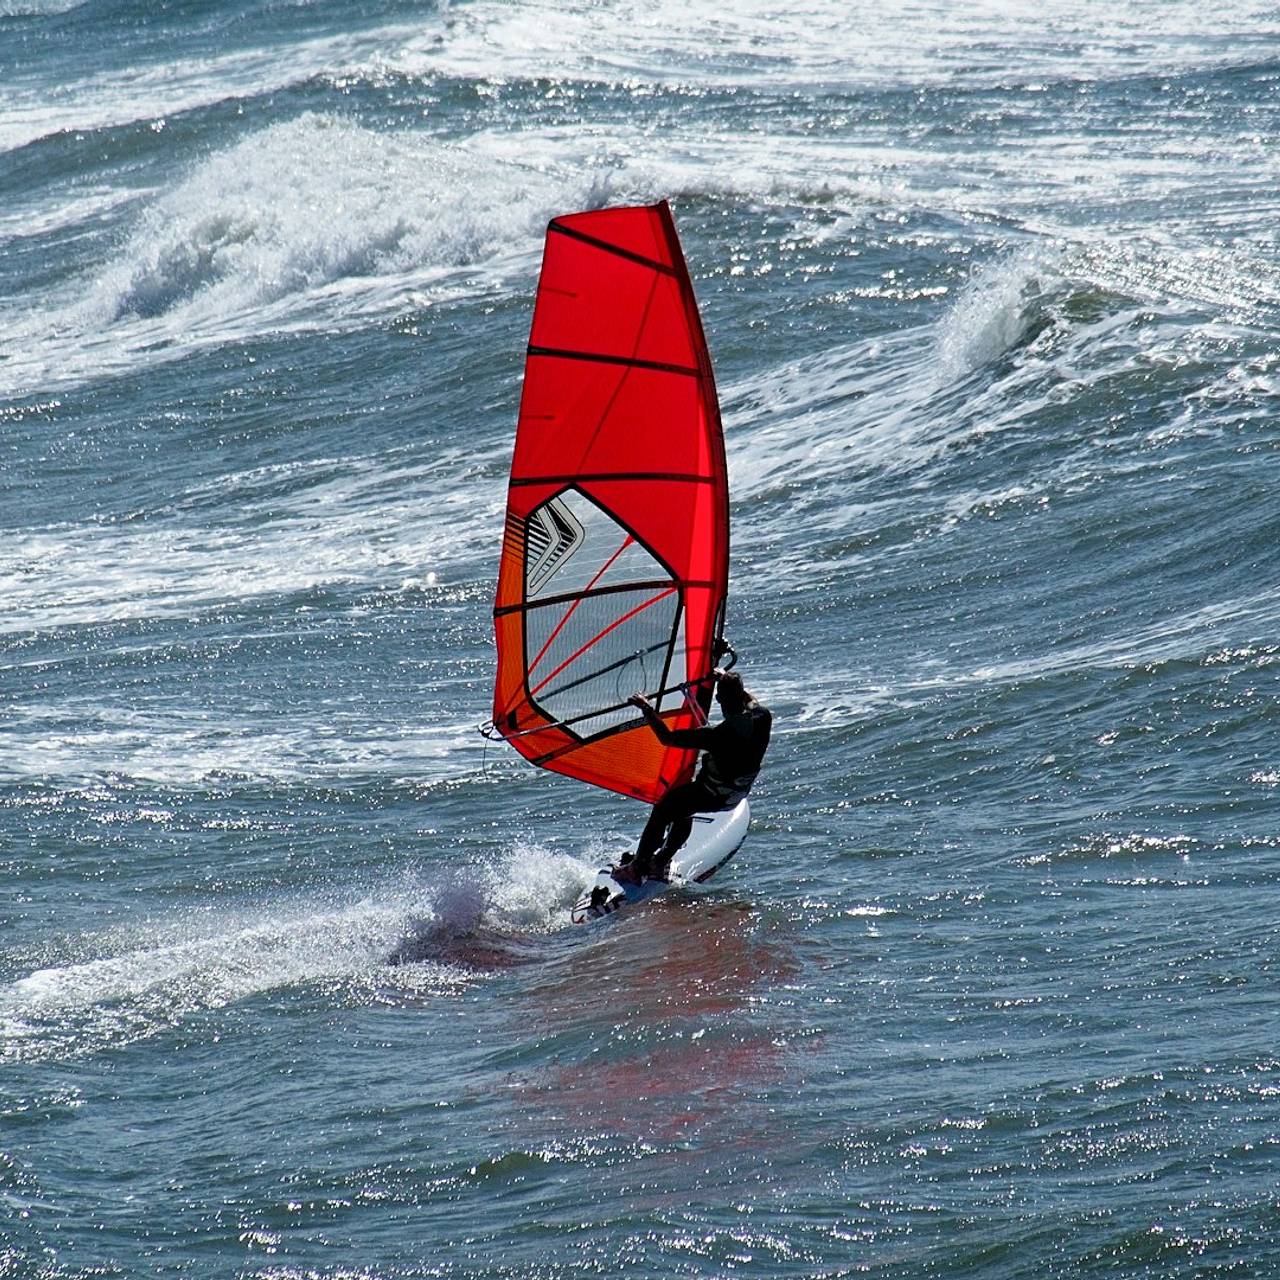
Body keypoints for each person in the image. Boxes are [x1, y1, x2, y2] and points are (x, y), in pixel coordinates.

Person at [621, 670, 772, 882]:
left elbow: (668, 738)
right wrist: (726, 678)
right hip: (736, 795)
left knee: (664, 809)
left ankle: (638, 868)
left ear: (719, 700)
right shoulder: (762, 717)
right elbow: (751, 700)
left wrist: (646, 708)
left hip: (712, 795)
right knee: (683, 808)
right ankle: (660, 861)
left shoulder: (717, 736)